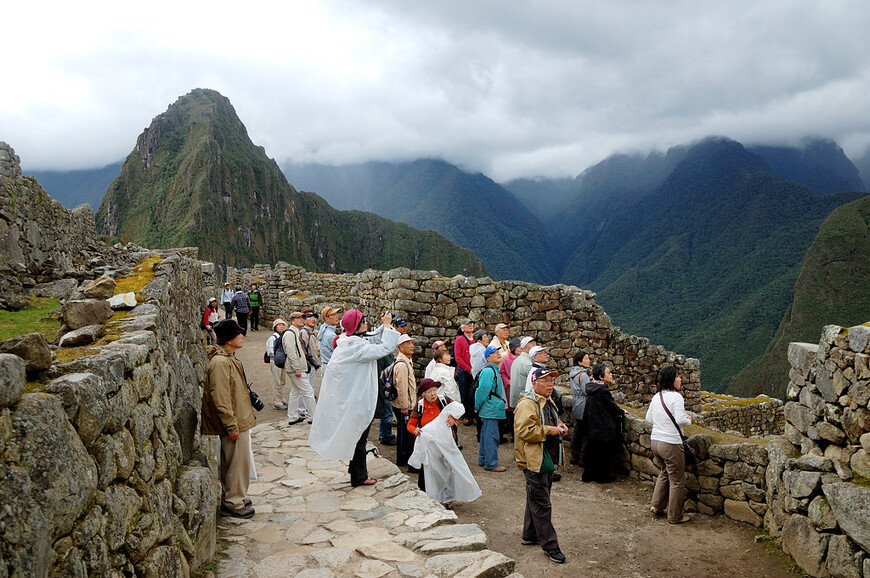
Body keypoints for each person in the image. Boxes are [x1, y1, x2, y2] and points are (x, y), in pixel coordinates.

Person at [308, 310, 398, 487]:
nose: (366, 323)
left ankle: (356, 472)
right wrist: (387, 327)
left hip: (352, 400)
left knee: (359, 438)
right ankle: (359, 476)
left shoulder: (348, 341)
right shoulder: (356, 348)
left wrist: (384, 326)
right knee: (359, 438)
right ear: (356, 327)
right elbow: (384, 348)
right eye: (363, 321)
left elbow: (371, 336)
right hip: (356, 402)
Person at [201, 319, 256, 518]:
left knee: (235, 461)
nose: (242, 336)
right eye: (238, 334)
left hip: (238, 418)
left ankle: (234, 496)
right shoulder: (221, 363)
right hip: (235, 421)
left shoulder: (228, 359)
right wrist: (231, 425)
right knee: (237, 463)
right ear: (229, 340)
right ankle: (233, 501)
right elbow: (221, 397)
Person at [514, 367, 568, 564]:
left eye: (551, 380)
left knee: (536, 498)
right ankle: (551, 545)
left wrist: (560, 425)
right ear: (534, 383)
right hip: (534, 460)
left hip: (543, 458)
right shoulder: (527, 404)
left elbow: (550, 419)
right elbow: (525, 431)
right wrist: (550, 430)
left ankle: (529, 535)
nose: (550, 384)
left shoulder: (546, 400)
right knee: (542, 503)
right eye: (545, 380)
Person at [408, 378, 481, 510]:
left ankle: (448, 498)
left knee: (448, 469)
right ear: (423, 393)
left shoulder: (443, 401)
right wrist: (416, 430)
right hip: (430, 446)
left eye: (434, 390)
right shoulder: (419, 406)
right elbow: (411, 425)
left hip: (446, 443)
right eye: (429, 391)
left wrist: (453, 418)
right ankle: (432, 497)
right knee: (431, 472)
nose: (432, 394)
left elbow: (459, 410)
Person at [646, 366, 692, 524]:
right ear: (672, 380)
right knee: (677, 480)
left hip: (655, 442)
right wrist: (689, 420)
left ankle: (657, 505)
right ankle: (675, 516)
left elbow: (648, 418)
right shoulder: (676, 397)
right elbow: (680, 419)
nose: (680, 379)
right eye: (678, 377)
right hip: (670, 443)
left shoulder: (657, 396)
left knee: (664, 471)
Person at [582, 362, 626, 483]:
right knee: (604, 453)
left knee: (592, 451)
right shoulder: (602, 390)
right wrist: (621, 411)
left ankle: (588, 475)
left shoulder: (592, 388)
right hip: (602, 425)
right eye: (608, 373)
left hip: (592, 424)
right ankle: (603, 477)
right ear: (601, 377)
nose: (611, 375)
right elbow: (611, 406)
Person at [475, 345, 506, 472]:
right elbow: (482, 391)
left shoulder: (492, 370)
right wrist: (477, 406)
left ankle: (484, 459)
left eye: (498, 352)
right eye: (494, 353)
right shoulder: (489, 371)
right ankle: (491, 463)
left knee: (485, 435)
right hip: (490, 409)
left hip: (489, 409)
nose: (498, 354)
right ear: (488, 358)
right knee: (491, 437)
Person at [284, 312, 316, 425]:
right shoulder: (290, 334)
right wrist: (296, 368)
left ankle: (292, 416)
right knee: (308, 391)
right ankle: (313, 416)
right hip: (295, 368)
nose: (303, 319)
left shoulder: (295, 333)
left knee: (295, 392)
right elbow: (291, 352)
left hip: (297, 367)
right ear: (293, 320)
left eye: (303, 318)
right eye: (300, 318)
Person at [392, 334, 418, 469]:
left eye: (412, 343)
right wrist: (404, 407)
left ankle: (404, 459)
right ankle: (405, 460)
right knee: (405, 434)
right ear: (401, 347)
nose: (412, 346)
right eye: (408, 343)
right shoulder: (402, 364)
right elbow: (402, 387)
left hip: (407, 404)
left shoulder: (406, 360)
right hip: (405, 405)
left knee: (406, 433)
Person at [568, 350, 592, 465]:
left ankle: (574, 454)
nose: (589, 361)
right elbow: (587, 391)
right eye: (586, 359)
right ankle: (583, 457)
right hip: (584, 404)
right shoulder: (584, 375)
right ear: (579, 362)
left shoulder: (573, 373)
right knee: (587, 432)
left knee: (578, 431)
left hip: (576, 403)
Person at [453, 319, 476, 426]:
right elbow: (458, 358)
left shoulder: (475, 340)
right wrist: (468, 369)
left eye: (471, 324)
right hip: (464, 371)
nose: (470, 326)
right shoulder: (460, 340)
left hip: (474, 370)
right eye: (468, 324)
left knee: (474, 393)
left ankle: (474, 415)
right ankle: (466, 415)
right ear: (463, 328)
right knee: (465, 394)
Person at [500, 338, 521, 442]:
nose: (520, 348)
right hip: (510, 389)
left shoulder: (522, 359)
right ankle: (513, 435)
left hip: (520, 388)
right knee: (512, 412)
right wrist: (507, 381)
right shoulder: (507, 360)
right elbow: (502, 372)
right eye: (518, 347)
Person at [266, 318, 288, 410]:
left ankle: (281, 398)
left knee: (282, 380)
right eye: (279, 325)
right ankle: (277, 401)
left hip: (282, 361)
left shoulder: (283, 336)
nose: (281, 326)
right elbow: (270, 351)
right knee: (277, 381)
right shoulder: (273, 338)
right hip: (275, 361)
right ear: (275, 327)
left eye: (283, 325)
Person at [509, 337, 536, 409]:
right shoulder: (527, 364)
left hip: (518, 402)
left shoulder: (517, 360)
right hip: (524, 403)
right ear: (526, 347)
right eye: (533, 346)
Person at [300, 307, 320, 391]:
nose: (313, 319)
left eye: (314, 317)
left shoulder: (311, 332)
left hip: (311, 366)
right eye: (309, 317)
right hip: (306, 366)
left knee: (310, 388)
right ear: (304, 320)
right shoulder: (304, 333)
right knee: (305, 390)